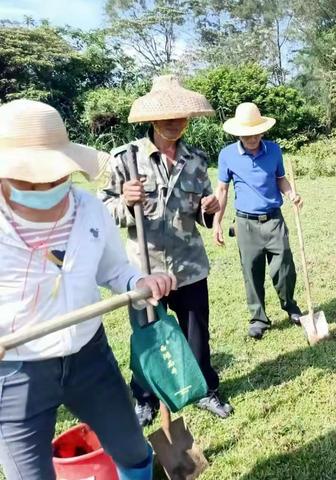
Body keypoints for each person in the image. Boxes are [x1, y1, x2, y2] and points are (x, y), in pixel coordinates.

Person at [0, 100, 176, 480]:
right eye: (30, 183)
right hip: (16, 371)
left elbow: (113, 267)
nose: (46, 189)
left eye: (55, 179)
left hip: (89, 359)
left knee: (132, 449)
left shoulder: (88, 209)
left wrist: (137, 282)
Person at [100, 75, 233, 423]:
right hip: (144, 269)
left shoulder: (197, 160)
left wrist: (209, 209)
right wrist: (127, 203)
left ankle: (205, 388)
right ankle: (144, 397)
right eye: (168, 118)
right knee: (147, 334)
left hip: (189, 265)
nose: (175, 124)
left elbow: (200, 214)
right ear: (153, 120)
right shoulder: (127, 160)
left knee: (196, 334)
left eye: (181, 117)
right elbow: (105, 208)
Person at [214, 102, 304, 340]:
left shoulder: (274, 150)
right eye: (246, 133)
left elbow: (281, 179)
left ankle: (291, 307)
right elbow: (221, 191)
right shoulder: (227, 155)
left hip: (274, 220)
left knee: (284, 266)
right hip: (245, 224)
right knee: (251, 272)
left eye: (255, 132)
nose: (251, 137)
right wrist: (217, 222)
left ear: (262, 130)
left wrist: (291, 193)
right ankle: (258, 319)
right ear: (238, 133)